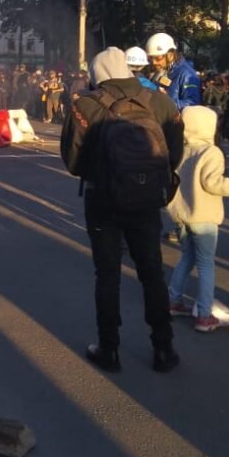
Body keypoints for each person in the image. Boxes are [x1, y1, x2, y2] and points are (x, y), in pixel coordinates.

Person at [60, 47, 184, 372]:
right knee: (152, 273)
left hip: (103, 199)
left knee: (108, 274)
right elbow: (175, 150)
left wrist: (101, 170)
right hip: (146, 200)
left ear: (97, 74)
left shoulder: (86, 106)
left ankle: (109, 348)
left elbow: (72, 161)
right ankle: (163, 348)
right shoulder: (159, 101)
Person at [167, 106, 229, 332]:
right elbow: (213, 184)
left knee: (186, 257)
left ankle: (173, 301)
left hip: (182, 215)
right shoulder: (210, 152)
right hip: (204, 217)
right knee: (206, 264)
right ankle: (204, 315)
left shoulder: (180, 150)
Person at [145, 32, 201, 110]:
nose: (154, 62)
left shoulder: (186, 74)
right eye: (151, 58)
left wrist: (167, 101)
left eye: (158, 58)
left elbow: (193, 104)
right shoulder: (163, 70)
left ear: (170, 54)